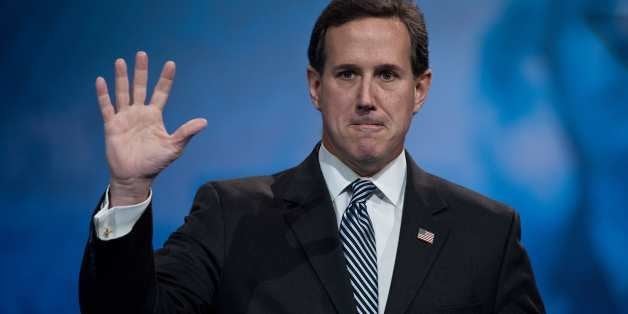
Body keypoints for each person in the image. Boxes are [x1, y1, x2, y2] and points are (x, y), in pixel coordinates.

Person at [79, 0, 545, 313]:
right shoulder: (232, 215)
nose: (367, 97)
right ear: (315, 87)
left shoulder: (487, 232)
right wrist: (128, 189)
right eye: (346, 74)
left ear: (419, 89)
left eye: (387, 75)